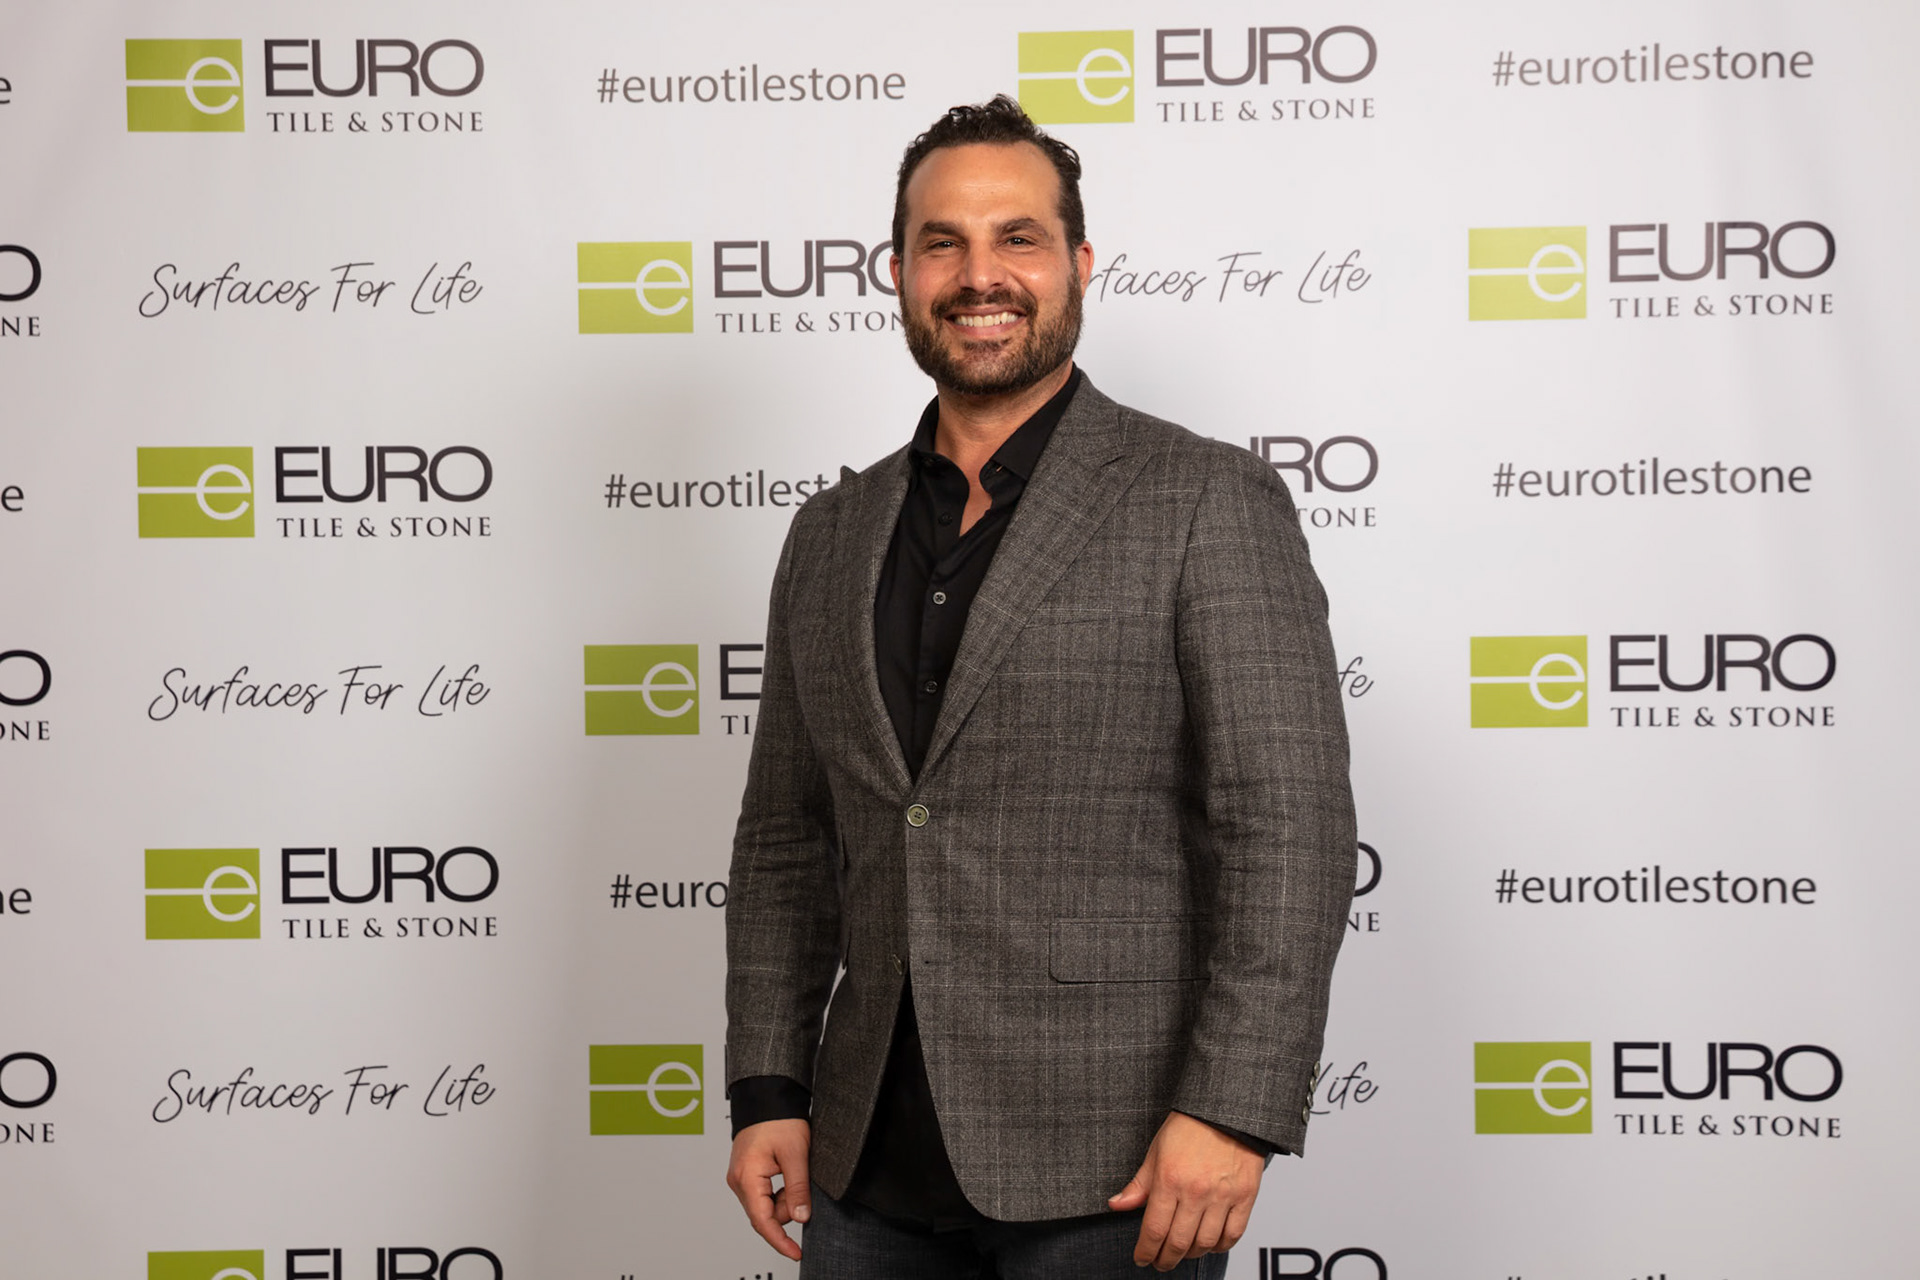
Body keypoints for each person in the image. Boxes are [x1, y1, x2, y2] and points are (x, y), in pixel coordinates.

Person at [723, 94, 1355, 1278]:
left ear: (1079, 263)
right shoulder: (829, 532)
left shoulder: (1203, 498)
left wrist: (1233, 1109)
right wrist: (768, 1084)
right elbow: (784, 840)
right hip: (862, 1170)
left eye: (1017, 237)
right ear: (899, 272)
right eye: (943, 243)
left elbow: (1287, 824)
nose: (981, 275)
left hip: (1115, 1166)